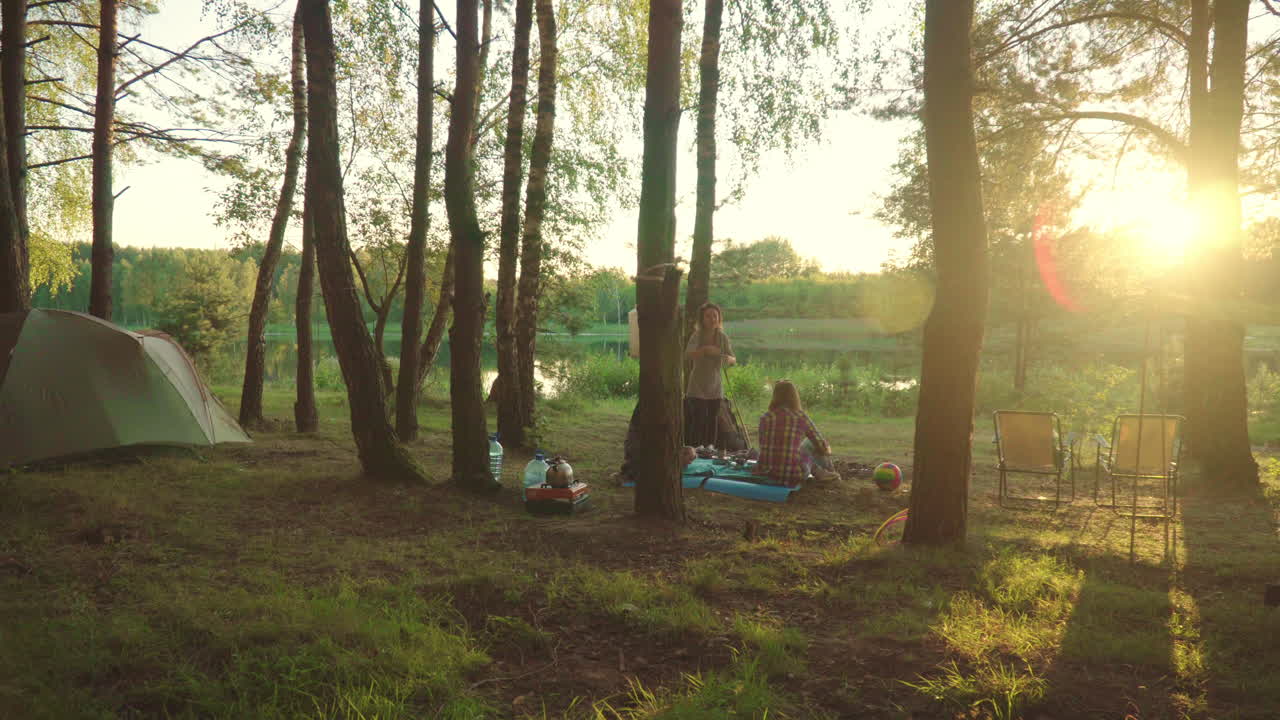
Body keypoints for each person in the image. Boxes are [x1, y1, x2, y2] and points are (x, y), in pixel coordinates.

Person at [756, 380, 838, 487]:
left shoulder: (765, 418)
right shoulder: (801, 417)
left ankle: (822, 473)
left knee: (795, 451)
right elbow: (821, 444)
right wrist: (827, 450)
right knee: (810, 444)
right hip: (794, 475)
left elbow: (763, 445)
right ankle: (832, 474)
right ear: (795, 396)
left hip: (766, 473)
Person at [685, 302, 736, 447]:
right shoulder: (697, 335)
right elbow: (687, 355)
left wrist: (724, 357)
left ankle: (710, 450)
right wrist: (705, 350)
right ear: (702, 319)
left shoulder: (722, 337)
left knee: (713, 421)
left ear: (719, 318)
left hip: (715, 386)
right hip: (697, 386)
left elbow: (733, 359)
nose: (712, 319)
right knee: (698, 421)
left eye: (715, 316)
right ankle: (695, 450)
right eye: (708, 316)